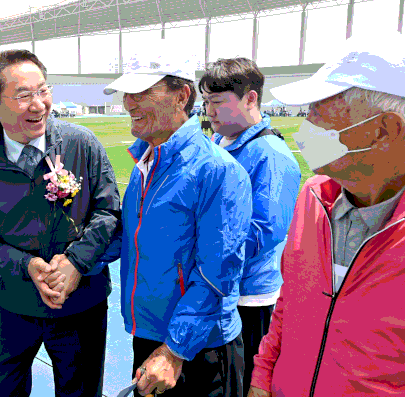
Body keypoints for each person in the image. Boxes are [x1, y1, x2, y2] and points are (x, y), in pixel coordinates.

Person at [249, 30, 405, 397]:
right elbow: (290, 302)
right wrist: (262, 376)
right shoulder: (313, 197)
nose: (307, 124)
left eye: (321, 109)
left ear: (384, 130)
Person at [0, 49, 121, 397]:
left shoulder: (81, 144)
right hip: (16, 302)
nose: (39, 105)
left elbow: (109, 211)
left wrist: (76, 262)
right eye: (23, 95)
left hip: (80, 304)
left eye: (43, 90)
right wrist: (28, 265)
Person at [101, 47, 253, 396]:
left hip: (196, 350)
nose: (129, 103)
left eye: (141, 93)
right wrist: (72, 262)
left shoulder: (217, 170)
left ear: (181, 96)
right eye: (128, 94)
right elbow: (132, 239)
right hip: (151, 339)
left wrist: (174, 350)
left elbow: (218, 275)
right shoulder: (146, 163)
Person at [199, 58, 301, 393]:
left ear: (251, 99)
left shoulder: (271, 155)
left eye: (217, 102)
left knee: (241, 385)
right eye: (205, 102)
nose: (209, 111)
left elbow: (264, 231)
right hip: (214, 287)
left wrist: (207, 261)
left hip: (246, 297)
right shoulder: (219, 143)